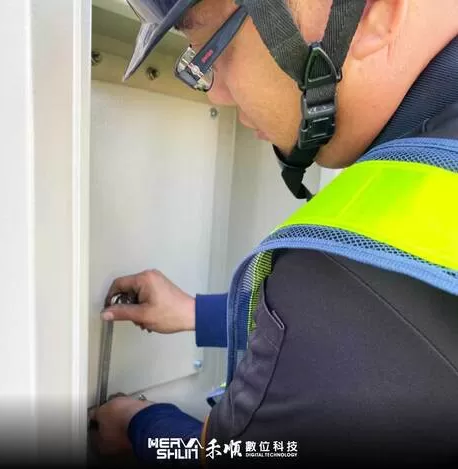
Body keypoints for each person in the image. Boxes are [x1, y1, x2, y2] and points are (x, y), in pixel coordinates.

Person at [89, 0, 458, 467]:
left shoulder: (336, 287)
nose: (217, 94)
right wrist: (195, 313)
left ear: (377, 13)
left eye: (213, 47)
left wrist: (140, 424)